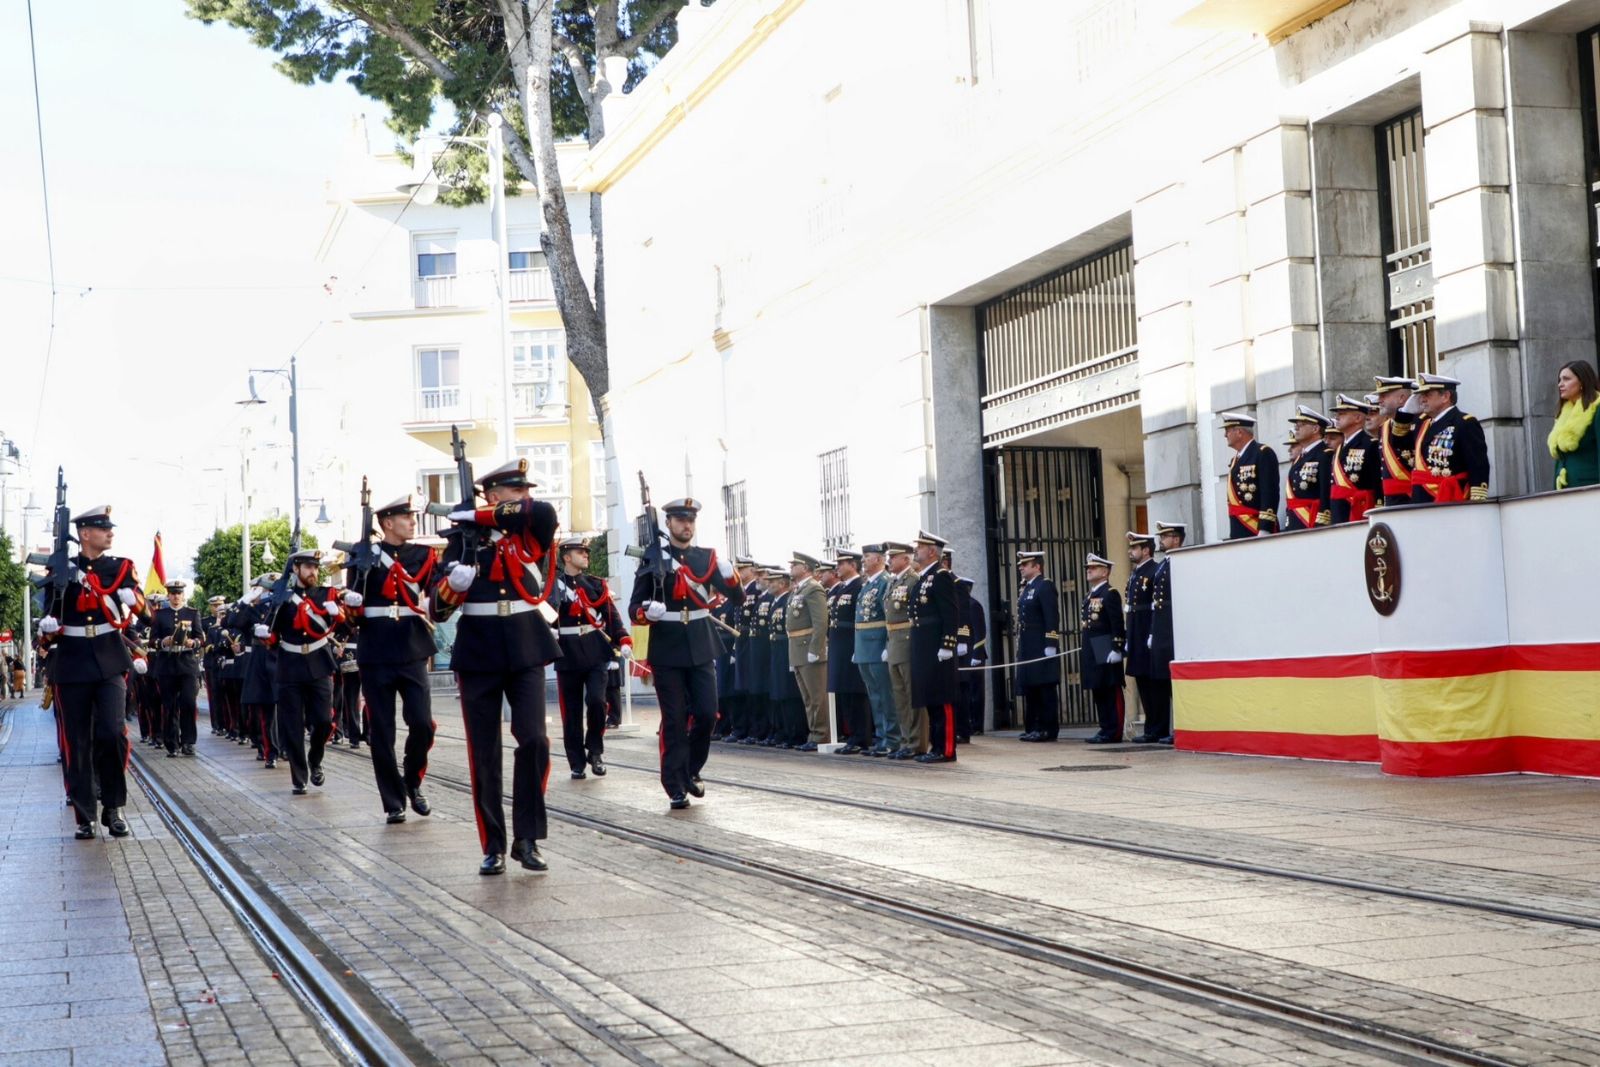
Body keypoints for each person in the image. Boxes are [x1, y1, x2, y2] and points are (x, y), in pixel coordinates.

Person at [434, 458, 561, 872]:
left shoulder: (530, 530)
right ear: (492, 495)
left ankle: (528, 838)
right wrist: (454, 587)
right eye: (516, 490)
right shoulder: (461, 539)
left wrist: (475, 512)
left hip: (526, 643)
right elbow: (437, 608)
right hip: (480, 649)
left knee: (535, 741)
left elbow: (542, 511)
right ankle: (494, 845)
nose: (526, 496)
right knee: (483, 753)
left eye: (525, 489)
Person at [35, 504, 148, 839]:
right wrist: (47, 627)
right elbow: (48, 624)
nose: (110, 533)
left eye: (109, 528)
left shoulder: (122, 568)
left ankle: (113, 807)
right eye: (103, 528)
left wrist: (134, 601)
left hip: (110, 659)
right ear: (85, 534)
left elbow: (149, 615)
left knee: (112, 733)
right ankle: (84, 814)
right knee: (77, 740)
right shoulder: (62, 569)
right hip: (71, 662)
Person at [628, 496, 745, 809]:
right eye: (680, 520)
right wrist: (645, 612)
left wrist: (730, 574)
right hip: (666, 646)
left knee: (707, 714)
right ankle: (675, 783)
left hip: (700, 642)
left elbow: (738, 597)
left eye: (690, 520)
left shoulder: (706, 558)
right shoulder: (653, 558)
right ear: (668, 524)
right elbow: (633, 607)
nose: (686, 525)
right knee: (675, 719)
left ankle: (692, 769)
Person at [342, 494, 439, 824]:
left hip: (412, 646)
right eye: (405, 517)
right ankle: (394, 801)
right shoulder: (363, 554)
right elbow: (351, 611)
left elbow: (437, 596)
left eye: (412, 517)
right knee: (381, 731)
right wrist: (351, 600)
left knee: (423, 724)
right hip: (376, 648)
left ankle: (412, 781)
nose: (412, 522)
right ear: (386, 523)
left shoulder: (424, 555)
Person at [258, 550, 344, 796]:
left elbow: (343, 624)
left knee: (324, 721)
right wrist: (266, 636)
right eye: (307, 567)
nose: (313, 572)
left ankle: (315, 759)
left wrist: (339, 614)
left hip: (318, 662)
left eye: (315, 567)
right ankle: (299, 776)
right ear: (295, 569)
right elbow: (273, 634)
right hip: (290, 665)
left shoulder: (326, 594)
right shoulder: (282, 596)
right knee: (292, 725)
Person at [552, 537, 629, 780]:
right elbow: (543, 613)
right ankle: (576, 761)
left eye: (586, 552)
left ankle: (595, 750)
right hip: (568, 653)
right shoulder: (553, 586)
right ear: (566, 556)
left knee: (598, 702)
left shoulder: (595, 584)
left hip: (596, 651)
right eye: (580, 552)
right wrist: (546, 631)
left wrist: (623, 638)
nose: (586, 555)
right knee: (571, 712)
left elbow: (610, 615)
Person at [908, 531, 960, 764]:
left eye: (920, 547)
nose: (915, 550)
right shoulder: (922, 577)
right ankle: (935, 746)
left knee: (942, 700)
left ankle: (946, 749)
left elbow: (950, 613)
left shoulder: (941, 576)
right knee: (930, 698)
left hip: (938, 647)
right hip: (924, 646)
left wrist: (947, 644)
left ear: (931, 551)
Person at [1410, 373, 1491, 502]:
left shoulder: (1464, 422)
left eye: (1428, 394)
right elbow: (1399, 442)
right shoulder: (1423, 425)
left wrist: (1477, 500)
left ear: (1445, 396)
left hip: (1450, 498)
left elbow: (1478, 465)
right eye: (1422, 395)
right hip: (1421, 499)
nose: (1422, 399)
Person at [151, 579, 204, 757]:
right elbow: (152, 640)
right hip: (167, 664)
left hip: (187, 663)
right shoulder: (159, 615)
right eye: (173, 593)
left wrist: (193, 642)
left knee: (188, 702)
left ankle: (188, 741)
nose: (176, 597)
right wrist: (162, 642)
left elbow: (200, 638)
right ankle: (172, 743)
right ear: (168, 595)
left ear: (183, 595)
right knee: (170, 705)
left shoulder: (192, 613)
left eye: (179, 593)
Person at [1013, 550, 1062, 743]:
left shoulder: (1045, 585)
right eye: (1020, 565)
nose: (1021, 568)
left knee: (1044, 688)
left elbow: (1051, 616)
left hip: (1041, 643)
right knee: (1031, 686)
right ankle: (1034, 726)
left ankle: (1047, 729)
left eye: (1025, 564)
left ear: (1037, 566)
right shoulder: (1027, 588)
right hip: (1028, 643)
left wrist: (1051, 642)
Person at [1124, 531, 1166, 744]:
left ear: (1146, 550)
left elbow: (1154, 608)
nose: (1130, 551)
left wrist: (1152, 634)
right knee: (1142, 681)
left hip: (1147, 632)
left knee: (1154, 684)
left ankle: (1157, 727)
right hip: (1136, 633)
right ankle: (1151, 726)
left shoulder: (1154, 570)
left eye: (1134, 548)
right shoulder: (1135, 574)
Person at [784, 553, 830, 751]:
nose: (792, 567)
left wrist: (816, 648)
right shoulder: (797, 590)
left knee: (817, 695)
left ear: (807, 568)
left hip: (808, 646)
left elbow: (821, 622)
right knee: (808, 697)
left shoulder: (813, 589)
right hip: (796, 647)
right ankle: (813, 733)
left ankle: (820, 735)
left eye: (796, 564)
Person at [827, 550, 871, 754]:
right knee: (844, 691)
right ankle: (852, 734)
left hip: (851, 644)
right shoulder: (842, 588)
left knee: (855, 692)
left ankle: (861, 737)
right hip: (838, 645)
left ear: (852, 565)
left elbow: (859, 618)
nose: (837, 567)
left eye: (842, 563)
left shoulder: (858, 586)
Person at [852, 545, 894, 755]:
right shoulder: (868, 584)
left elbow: (889, 618)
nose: (863, 561)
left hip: (877, 645)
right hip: (864, 647)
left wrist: (888, 645)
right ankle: (880, 738)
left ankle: (891, 739)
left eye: (867, 557)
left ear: (878, 559)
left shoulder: (885, 582)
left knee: (886, 695)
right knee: (874, 696)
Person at [1079, 553, 1125, 744]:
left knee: (1109, 689)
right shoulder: (1090, 595)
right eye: (1088, 568)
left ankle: (1114, 730)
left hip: (1105, 645)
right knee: (1098, 689)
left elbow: (1116, 623)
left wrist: (1117, 647)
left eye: (1094, 568)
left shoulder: (1110, 593)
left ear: (1105, 572)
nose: (1089, 570)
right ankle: (1105, 727)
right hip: (1093, 645)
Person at [882, 541, 922, 760]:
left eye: (893, 557)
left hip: (907, 641)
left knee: (911, 695)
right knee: (900, 697)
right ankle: (905, 740)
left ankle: (916, 742)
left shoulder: (913, 580)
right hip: (894, 642)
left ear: (905, 559)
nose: (889, 561)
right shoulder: (893, 582)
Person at [1149, 520, 1183, 745]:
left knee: (1175, 685)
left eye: (1166, 536)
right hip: (1162, 627)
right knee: (1164, 680)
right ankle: (1171, 729)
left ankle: (1179, 728)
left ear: (1177, 539)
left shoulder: (1180, 562)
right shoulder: (1164, 564)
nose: (1161, 540)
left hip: (1173, 629)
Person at [1220, 411, 1279, 537]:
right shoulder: (1235, 459)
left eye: (1228, 430)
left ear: (1239, 432)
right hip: (1238, 527)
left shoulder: (1262, 453)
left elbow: (1269, 492)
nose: (1225, 435)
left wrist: (1265, 528)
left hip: (1255, 526)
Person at [1328, 394, 1382, 524]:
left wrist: (1378, 507)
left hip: (1359, 509)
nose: (1337, 417)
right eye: (1337, 414)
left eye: (1342, 414)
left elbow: (1377, 481)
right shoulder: (1340, 447)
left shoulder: (1370, 444)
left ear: (1358, 418)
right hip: (1339, 511)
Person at [1551, 360, 1600, 489]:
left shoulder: (1597, 408)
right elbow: (1560, 462)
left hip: (1591, 490)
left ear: (1582, 382)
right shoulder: (1563, 413)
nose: (1560, 384)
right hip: (1565, 491)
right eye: (1559, 380)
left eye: (1566, 379)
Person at [1284, 406, 1333, 530]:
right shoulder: (1300, 457)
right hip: (1296, 520)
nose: (1296, 428)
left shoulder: (1324, 454)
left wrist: (1323, 519)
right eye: (1296, 425)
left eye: (1301, 424)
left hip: (1312, 520)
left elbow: (1325, 491)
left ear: (1315, 428)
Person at [956, 575, 987, 740]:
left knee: (975, 692)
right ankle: (967, 724)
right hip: (963, 655)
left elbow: (980, 632)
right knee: (965, 691)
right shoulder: (960, 606)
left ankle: (977, 725)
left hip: (973, 654)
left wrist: (977, 654)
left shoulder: (973, 605)